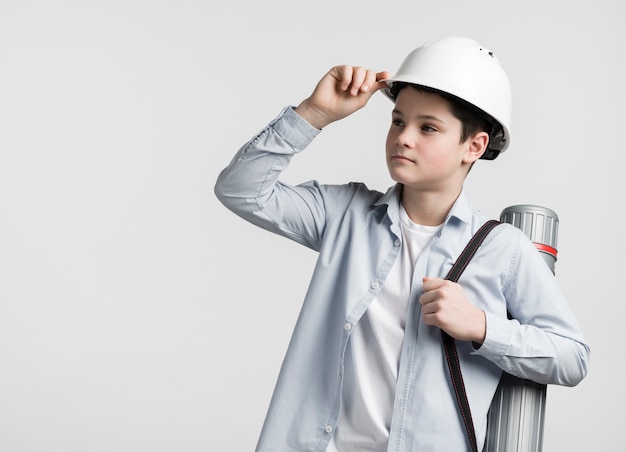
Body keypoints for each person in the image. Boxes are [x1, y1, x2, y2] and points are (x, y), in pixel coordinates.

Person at [214, 36, 590, 452]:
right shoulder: (345, 214)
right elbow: (241, 190)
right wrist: (313, 114)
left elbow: (572, 357)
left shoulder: (503, 249)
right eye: (397, 121)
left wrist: (481, 327)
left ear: (475, 146)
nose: (403, 137)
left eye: (427, 127)